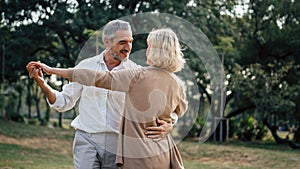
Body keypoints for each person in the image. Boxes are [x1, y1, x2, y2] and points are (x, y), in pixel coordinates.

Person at [28, 28, 188, 169]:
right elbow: (178, 112)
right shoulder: (178, 84)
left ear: (154, 50)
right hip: (163, 153)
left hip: (137, 155)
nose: (144, 50)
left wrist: (52, 70)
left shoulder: (137, 75)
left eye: (149, 46)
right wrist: (170, 125)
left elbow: (98, 78)